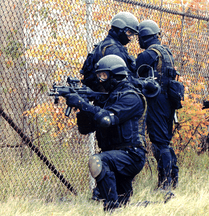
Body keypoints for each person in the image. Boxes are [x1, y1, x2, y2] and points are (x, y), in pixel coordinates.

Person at [65, 55, 147, 211]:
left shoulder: (131, 97)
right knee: (124, 204)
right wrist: (82, 108)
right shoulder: (107, 99)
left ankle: (111, 209)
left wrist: (84, 104)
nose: (100, 80)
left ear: (115, 75)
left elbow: (106, 119)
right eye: (99, 76)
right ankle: (117, 208)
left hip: (131, 154)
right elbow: (85, 129)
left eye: (103, 75)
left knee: (98, 161)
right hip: (114, 154)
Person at [136, 20, 181, 190]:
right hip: (168, 100)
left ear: (144, 37)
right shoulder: (166, 52)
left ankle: (165, 184)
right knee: (164, 141)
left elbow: (134, 73)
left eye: (139, 37)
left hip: (157, 100)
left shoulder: (149, 55)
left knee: (160, 142)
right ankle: (172, 180)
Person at [80, 11, 139, 91]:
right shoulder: (114, 50)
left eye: (133, 34)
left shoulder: (104, 44)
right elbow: (123, 79)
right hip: (110, 96)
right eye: (129, 32)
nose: (131, 37)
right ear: (119, 30)